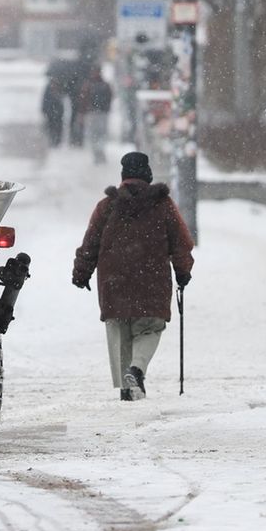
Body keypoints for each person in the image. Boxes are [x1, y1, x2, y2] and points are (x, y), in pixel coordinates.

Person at [71, 152, 194, 401]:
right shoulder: (163, 205)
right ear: (147, 174)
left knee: (119, 332)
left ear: (123, 175)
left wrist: (81, 272)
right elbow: (181, 243)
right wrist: (183, 271)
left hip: (114, 282)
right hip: (151, 281)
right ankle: (136, 370)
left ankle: (127, 388)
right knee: (149, 329)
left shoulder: (107, 206)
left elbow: (90, 244)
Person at [78, 67, 114, 165]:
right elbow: (110, 97)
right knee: (100, 134)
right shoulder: (105, 85)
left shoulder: (88, 85)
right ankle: (99, 153)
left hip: (94, 113)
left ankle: (98, 153)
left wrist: (82, 113)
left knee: (95, 135)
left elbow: (83, 100)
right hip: (101, 113)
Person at [41, 78, 66, 147]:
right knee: (51, 127)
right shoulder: (48, 90)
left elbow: (61, 102)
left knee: (58, 128)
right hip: (50, 113)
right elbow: (45, 101)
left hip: (58, 113)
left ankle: (57, 141)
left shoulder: (60, 89)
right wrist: (44, 110)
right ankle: (52, 141)